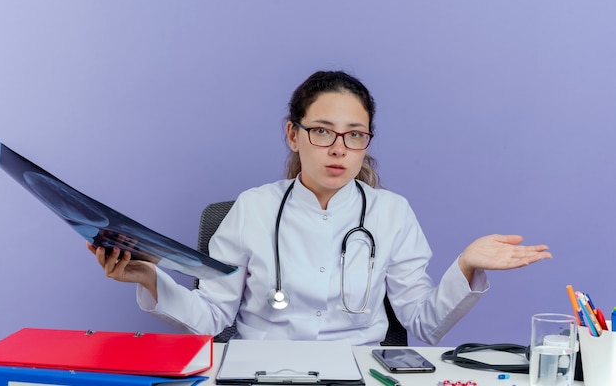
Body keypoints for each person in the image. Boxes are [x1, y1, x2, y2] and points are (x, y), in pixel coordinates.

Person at [87, 70, 552, 346]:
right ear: (294, 134)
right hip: (260, 372)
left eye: (355, 134)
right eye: (323, 131)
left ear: (366, 141)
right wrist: (149, 277)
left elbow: (425, 325)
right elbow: (212, 318)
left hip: (360, 370)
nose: (339, 148)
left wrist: (467, 264)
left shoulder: (391, 212)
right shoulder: (253, 207)